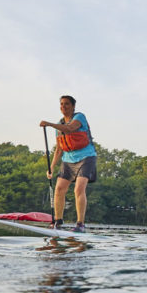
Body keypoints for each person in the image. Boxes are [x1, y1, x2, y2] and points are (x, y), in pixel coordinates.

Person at [39, 95, 97, 232]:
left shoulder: (80, 117)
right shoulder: (58, 127)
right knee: (59, 189)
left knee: (79, 189)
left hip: (86, 157)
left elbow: (70, 129)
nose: (63, 107)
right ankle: (58, 221)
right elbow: (59, 149)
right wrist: (51, 168)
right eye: (61, 104)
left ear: (73, 106)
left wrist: (49, 124)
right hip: (68, 160)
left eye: (66, 104)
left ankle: (80, 224)